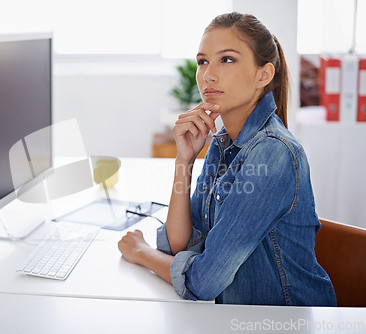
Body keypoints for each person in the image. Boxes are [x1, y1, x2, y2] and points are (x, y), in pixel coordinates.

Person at [118, 12, 337, 306]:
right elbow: (180, 243)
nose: (208, 74)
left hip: (283, 323)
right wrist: (184, 162)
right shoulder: (223, 144)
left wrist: (141, 252)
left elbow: (203, 282)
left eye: (227, 59)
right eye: (202, 61)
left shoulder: (272, 152)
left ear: (264, 75)